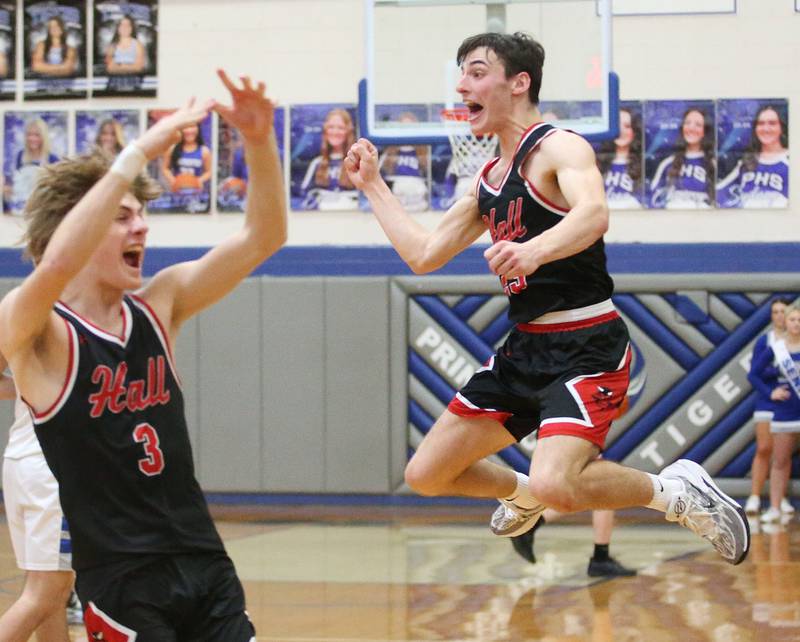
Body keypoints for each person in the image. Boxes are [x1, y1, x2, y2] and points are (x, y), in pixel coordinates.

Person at [344, 31, 749, 566]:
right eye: (461, 73)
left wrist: (533, 251)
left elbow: (593, 215)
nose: (462, 84)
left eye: (476, 71)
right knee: (426, 474)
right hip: (526, 348)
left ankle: (676, 493)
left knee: (560, 484)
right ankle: (521, 493)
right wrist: (373, 185)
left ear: (519, 82)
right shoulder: (487, 181)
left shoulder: (560, 146)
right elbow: (423, 254)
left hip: (588, 343)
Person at [0, 70, 286, 639]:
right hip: (124, 579)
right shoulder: (37, 329)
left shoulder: (162, 303)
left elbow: (264, 237)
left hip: (204, 562)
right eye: (122, 217)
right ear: (76, 231)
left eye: (141, 214)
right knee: (42, 598)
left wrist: (259, 142)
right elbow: (56, 265)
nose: (143, 227)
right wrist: (135, 153)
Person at [0, 353, 82, 640]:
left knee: (51, 596)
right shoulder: (82, 319)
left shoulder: (20, 314)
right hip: (52, 472)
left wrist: (27, 389)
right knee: (47, 594)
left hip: (21, 463)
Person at [748, 303, 800, 524]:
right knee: (779, 459)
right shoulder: (775, 348)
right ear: (784, 322)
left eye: (799, 320)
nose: (796, 324)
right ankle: (775, 507)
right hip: (784, 411)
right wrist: (772, 392)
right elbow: (754, 374)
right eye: (793, 320)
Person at [717, 105, 789, 208]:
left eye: (772, 123)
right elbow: (720, 190)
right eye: (761, 123)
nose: (766, 128)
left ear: (781, 127)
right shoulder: (747, 160)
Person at [648, 107, 715, 209]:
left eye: (698, 125)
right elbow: (653, 198)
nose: (691, 128)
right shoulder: (668, 163)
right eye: (687, 123)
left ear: (705, 131)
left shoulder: (712, 164)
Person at [300, 108, 358, 210]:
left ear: (348, 131)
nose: (335, 132)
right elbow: (304, 195)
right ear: (325, 131)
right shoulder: (317, 163)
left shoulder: (358, 162)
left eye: (340, 128)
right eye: (331, 127)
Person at [4, 117, 61, 214]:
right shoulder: (20, 156)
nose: (32, 138)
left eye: (36, 135)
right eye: (29, 135)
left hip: (42, 211)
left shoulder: (52, 159)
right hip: (20, 209)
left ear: (43, 137)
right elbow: (16, 185)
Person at [378, 112, 429, 212]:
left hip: (418, 201)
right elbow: (382, 175)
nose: (407, 131)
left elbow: (428, 174)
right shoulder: (389, 153)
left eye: (410, 128)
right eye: (403, 128)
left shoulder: (423, 153)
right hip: (397, 201)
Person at [597, 107, 643, 209]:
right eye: (616, 125)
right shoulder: (596, 164)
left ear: (635, 131)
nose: (621, 131)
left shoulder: (644, 165)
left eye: (627, 126)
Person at [160, 121, 212, 192]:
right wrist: (173, 181)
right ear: (180, 129)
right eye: (186, 127)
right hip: (177, 192)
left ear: (198, 129)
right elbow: (165, 168)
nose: (189, 130)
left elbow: (209, 171)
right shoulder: (172, 148)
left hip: (196, 193)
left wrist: (199, 180)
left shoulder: (204, 151)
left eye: (192, 127)